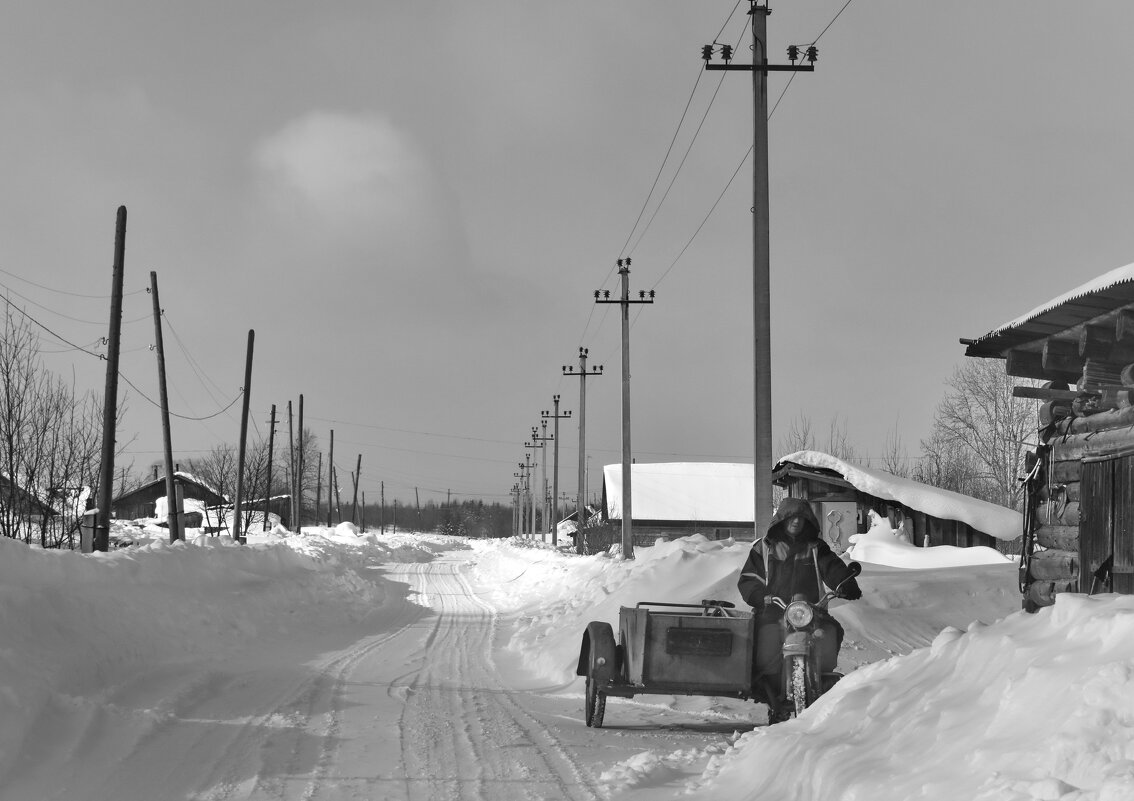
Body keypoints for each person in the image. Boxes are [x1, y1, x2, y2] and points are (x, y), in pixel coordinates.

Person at [737, 498, 862, 715]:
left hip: (811, 610)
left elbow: (831, 566)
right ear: (781, 520)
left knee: (830, 631)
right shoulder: (764, 548)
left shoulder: (816, 547)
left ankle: (823, 677)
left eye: (801, 518)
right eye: (791, 517)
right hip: (773, 608)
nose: (796, 522)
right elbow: (748, 578)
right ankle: (764, 683)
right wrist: (760, 596)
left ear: (808, 521)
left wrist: (845, 583)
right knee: (762, 638)